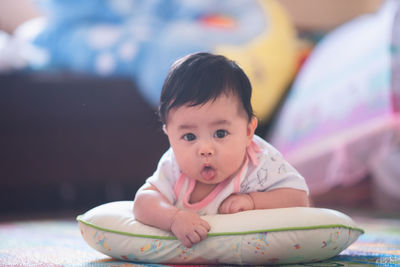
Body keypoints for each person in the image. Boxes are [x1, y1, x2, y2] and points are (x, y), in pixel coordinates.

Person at [133, 52, 309, 248]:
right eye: (189, 137)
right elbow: (143, 202)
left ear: (248, 131)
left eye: (220, 133)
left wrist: (253, 201)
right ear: (169, 136)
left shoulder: (259, 161)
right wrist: (174, 218)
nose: (205, 149)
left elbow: (299, 198)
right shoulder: (174, 166)